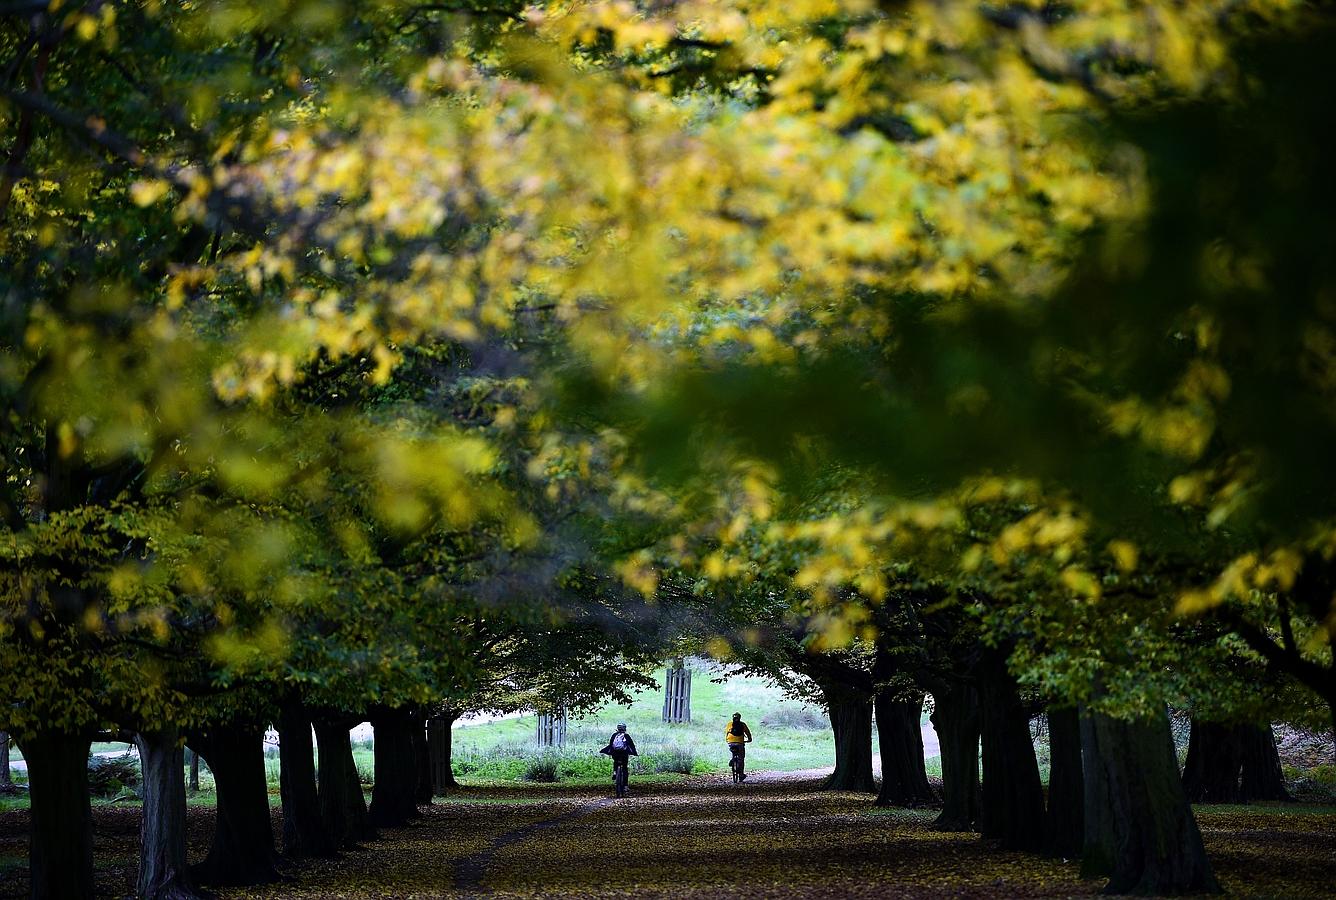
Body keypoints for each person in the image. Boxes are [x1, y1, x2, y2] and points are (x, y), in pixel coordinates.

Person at [599, 723, 638, 796]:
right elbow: (631, 745)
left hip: (615, 753)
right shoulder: (626, 736)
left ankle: (614, 772)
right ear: (624, 729)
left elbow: (611, 744)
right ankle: (625, 786)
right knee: (625, 768)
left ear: (617, 728)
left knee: (616, 762)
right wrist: (634, 753)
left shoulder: (614, 735)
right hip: (624, 754)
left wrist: (610, 752)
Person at [725, 712, 752, 780]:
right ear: (740, 718)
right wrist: (749, 740)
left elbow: (727, 732)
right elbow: (748, 734)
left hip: (730, 742)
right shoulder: (743, 724)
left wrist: (728, 740)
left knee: (733, 751)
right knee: (741, 758)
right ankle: (741, 775)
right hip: (740, 743)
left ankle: (733, 759)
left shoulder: (729, 724)